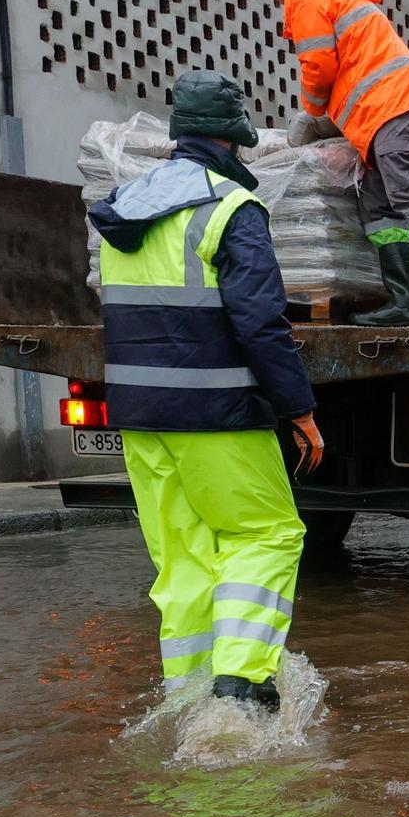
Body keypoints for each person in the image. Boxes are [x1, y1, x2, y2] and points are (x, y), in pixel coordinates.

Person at [88, 69, 325, 711]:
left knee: (182, 558)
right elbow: (261, 323)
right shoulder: (231, 209)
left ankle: (187, 693)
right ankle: (243, 686)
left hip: (139, 414)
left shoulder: (125, 209)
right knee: (267, 535)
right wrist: (299, 409)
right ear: (232, 140)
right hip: (216, 411)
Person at [251, 0, 409, 327]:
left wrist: (310, 115)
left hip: (391, 105)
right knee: (378, 209)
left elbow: (319, 65)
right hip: (381, 113)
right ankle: (402, 304)